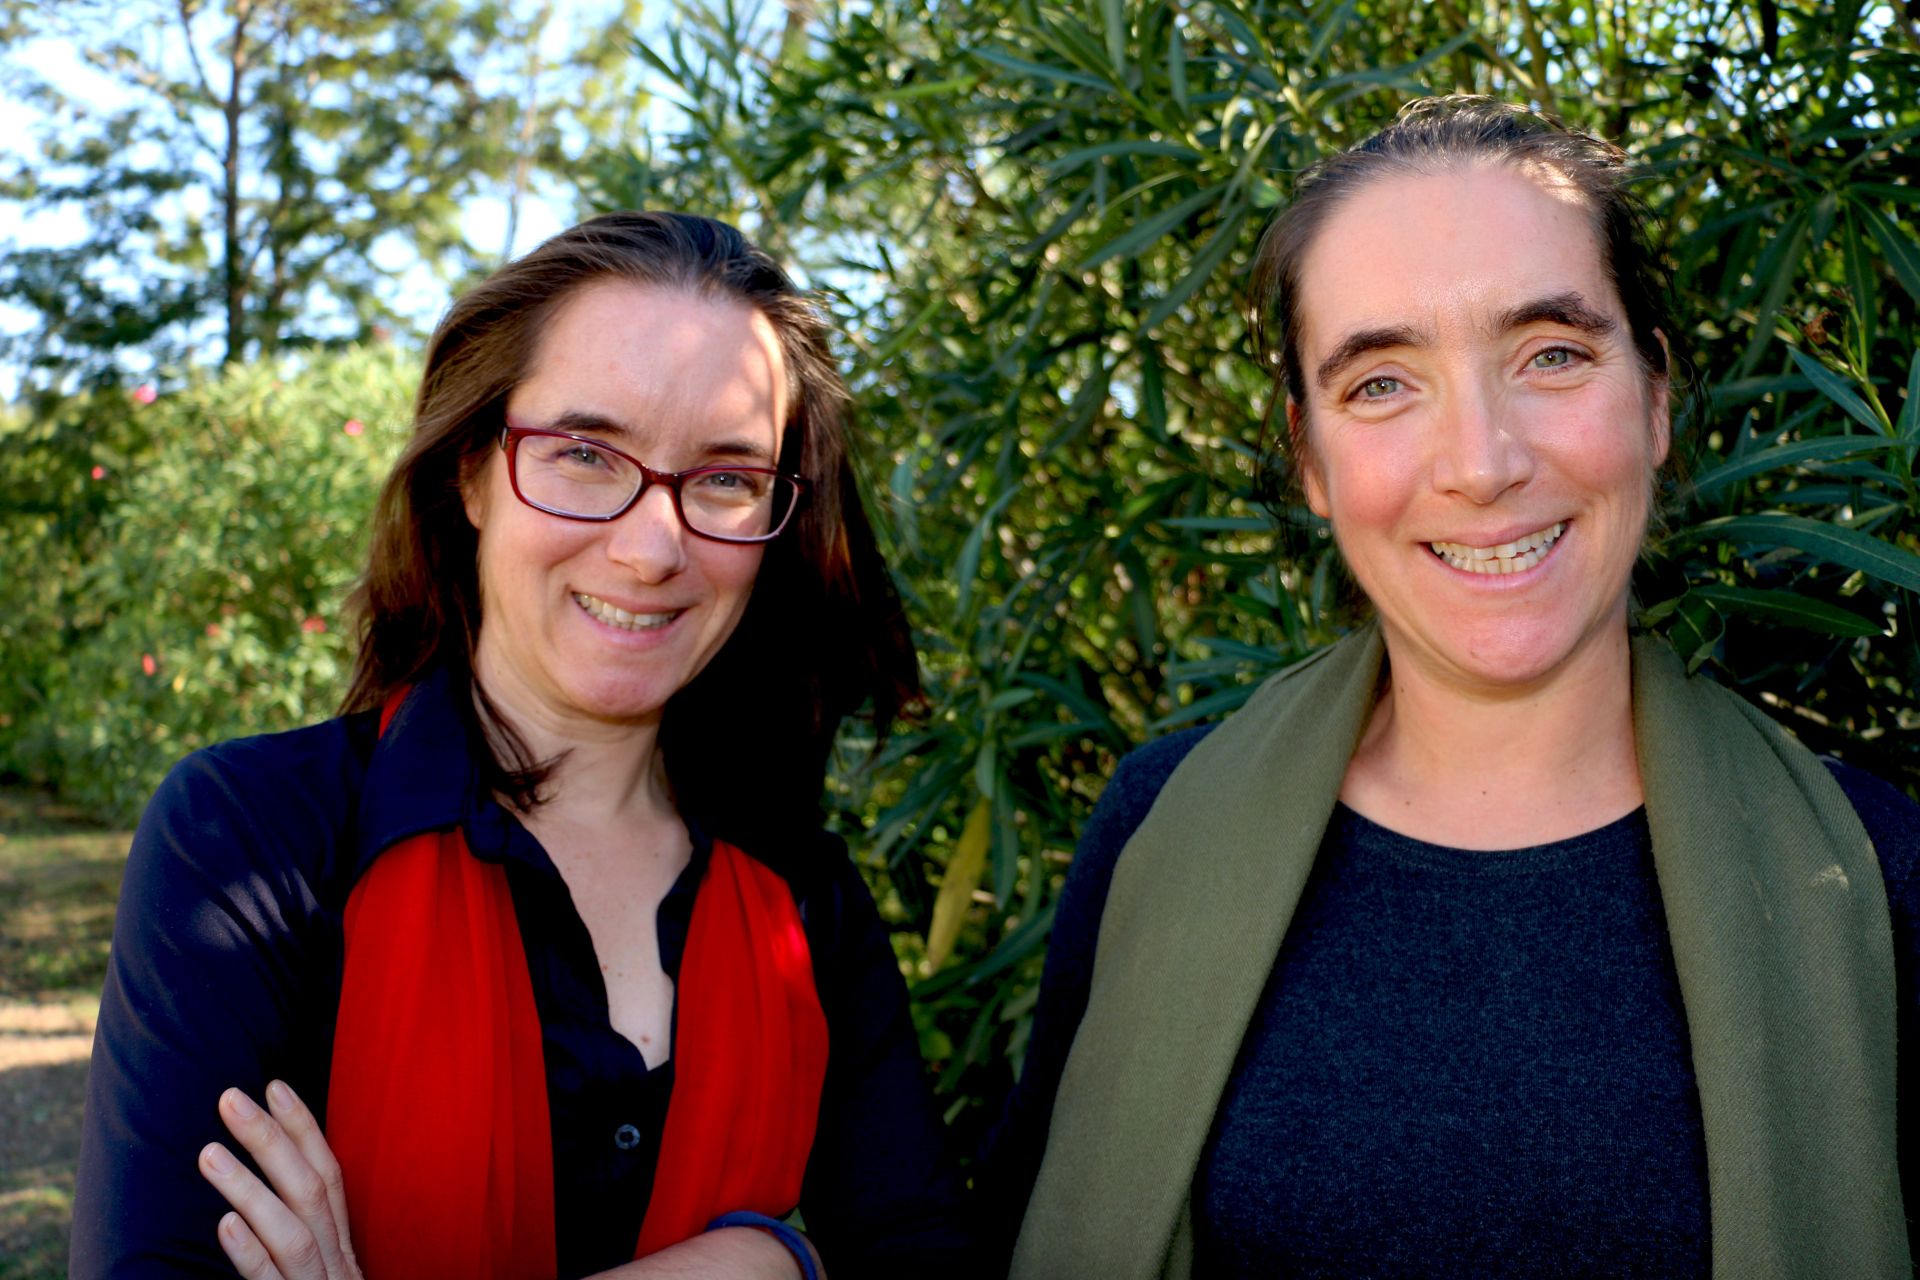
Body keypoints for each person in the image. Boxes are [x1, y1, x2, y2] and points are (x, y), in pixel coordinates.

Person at [993, 97, 1917, 1277]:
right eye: (1381, 382)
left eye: (1551, 354)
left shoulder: (1872, 874)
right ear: (1310, 459)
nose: (1482, 462)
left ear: (1654, 398)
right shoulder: (1158, 830)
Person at [71, 212, 970, 1279]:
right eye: (586, 453)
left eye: (727, 477)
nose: (653, 548)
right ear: (471, 473)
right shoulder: (256, 838)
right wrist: (766, 1262)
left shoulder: (804, 898)